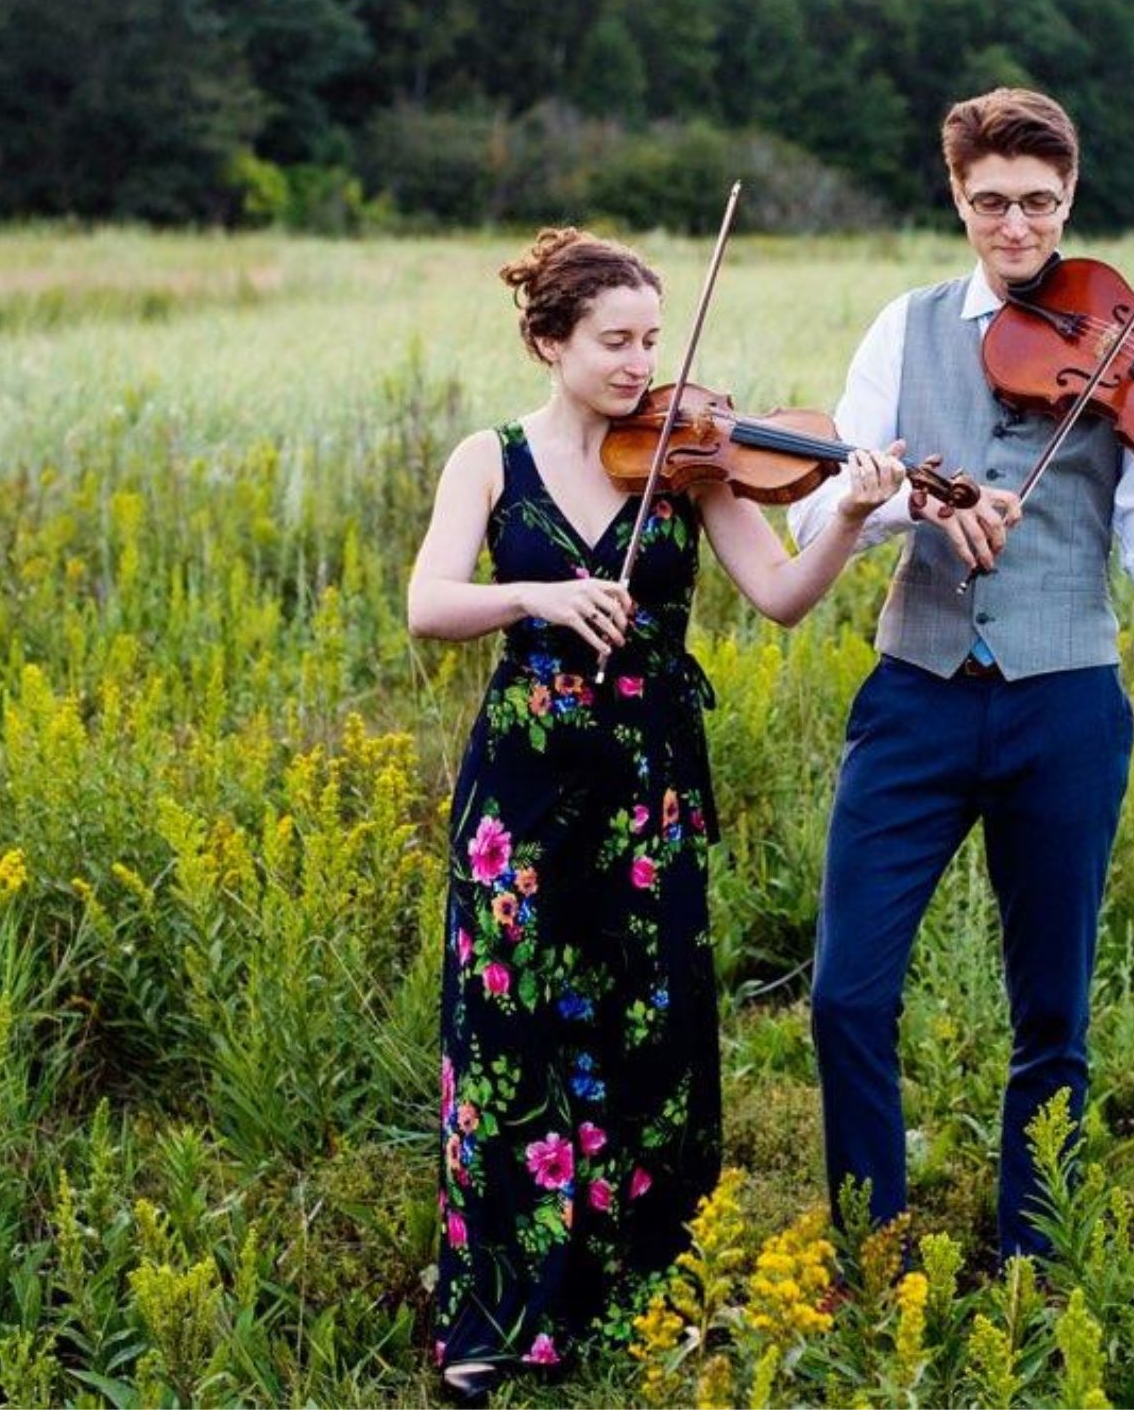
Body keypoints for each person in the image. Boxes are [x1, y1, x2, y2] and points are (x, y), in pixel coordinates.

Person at [785, 87, 1134, 1259]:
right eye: (992, 204)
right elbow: (823, 516)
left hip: (1065, 702)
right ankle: (870, 1248)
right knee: (843, 995)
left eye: (1040, 204)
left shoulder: (1123, 348)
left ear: (1070, 198)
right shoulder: (904, 329)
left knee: (1051, 1012)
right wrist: (905, 503)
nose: (1019, 229)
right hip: (916, 693)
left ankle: (1033, 1258)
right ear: (957, 198)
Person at [407, 226, 905, 1401]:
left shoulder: (691, 464)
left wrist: (841, 513)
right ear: (549, 341)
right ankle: (497, 1312)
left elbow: (780, 596)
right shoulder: (490, 459)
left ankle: (641, 1292)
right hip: (519, 797)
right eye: (615, 340)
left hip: (646, 792)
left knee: (648, 1031)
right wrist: (537, 592)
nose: (641, 363)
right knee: (507, 1035)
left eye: (651, 338)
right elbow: (428, 603)